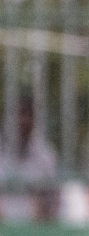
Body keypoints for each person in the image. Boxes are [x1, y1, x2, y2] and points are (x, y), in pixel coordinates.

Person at [0, 89, 60, 223]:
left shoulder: (45, 154)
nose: (24, 121)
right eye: (20, 114)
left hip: (33, 230)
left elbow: (53, 197)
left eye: (29, 115)